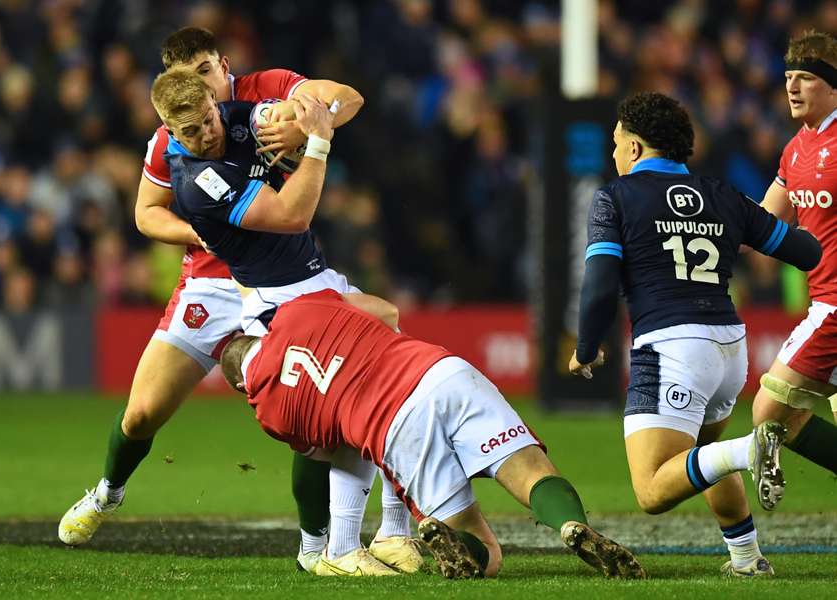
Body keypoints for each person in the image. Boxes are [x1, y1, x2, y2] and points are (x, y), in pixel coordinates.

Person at [59, 28, 417, 577]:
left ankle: (334, 541)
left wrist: (302, 120)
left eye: (205, 72)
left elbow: (345, 97)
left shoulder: (262, 98)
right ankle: (108, 491)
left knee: (321, 395)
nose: (203, 91)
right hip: (210, 284)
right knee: (142, 414)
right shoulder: (174, 145)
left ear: (223, 66)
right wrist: (200, 230)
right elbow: (144, 214)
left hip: (286, 276)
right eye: (187, 80)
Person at [217, 288, 646, 580]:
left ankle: (455, 543)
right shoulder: (298, 309)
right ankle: (572, 525)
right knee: (530, 468)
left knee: (486, 552)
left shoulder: (269, 410)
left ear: (241, 385)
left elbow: (335, 455)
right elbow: (387, 312)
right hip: (441, 371)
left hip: (394, 426)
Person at [568, 92, 821, 577]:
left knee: (652, 490)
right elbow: (806, 252)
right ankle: (747, 561)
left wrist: (585, 348)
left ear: (637, 148)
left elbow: (600, 285)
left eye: (618, 143)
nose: (614, 153)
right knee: (701, 458)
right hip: (729, 347)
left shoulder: (615, 198)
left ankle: (752, 449)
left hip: (672, 347)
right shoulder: (722, 194)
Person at [751, 29, 837, 498]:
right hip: (823, 303)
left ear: (832, 86)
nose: (792, 87)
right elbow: (764, 220)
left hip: (833, 309)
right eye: (788, 77)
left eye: (805, 77)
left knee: (767, 410)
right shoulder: (796, 148)